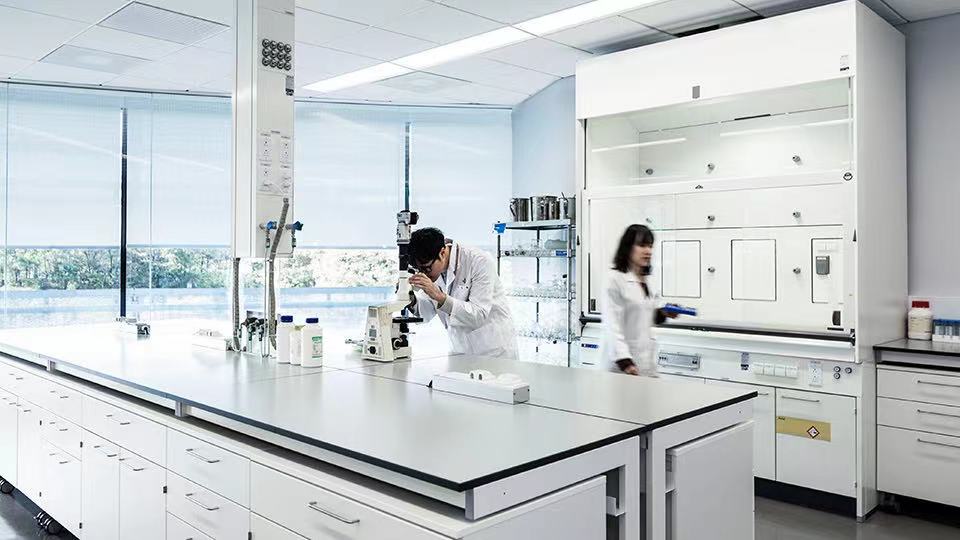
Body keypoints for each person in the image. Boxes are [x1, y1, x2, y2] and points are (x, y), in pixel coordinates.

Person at [407, 227, 518, 359]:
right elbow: (427, 312)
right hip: (459, 349)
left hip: (492, 350)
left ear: (442, 253)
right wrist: (411, 299)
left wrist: (440, 297)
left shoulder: (478, 261)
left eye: (426, 268)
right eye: (419, 269)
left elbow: (479, 314)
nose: (423, 273)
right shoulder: (433, 270)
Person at [600, 224, 677, 376]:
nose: (648, 251)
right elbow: (612, 324)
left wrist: (663, 313)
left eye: (650, 246)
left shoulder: (646, 279)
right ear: (627, 247)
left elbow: (643, 315)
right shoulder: (614, 279)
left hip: (644, 362)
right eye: (642, 245)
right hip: (621, 366)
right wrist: (625, 362)